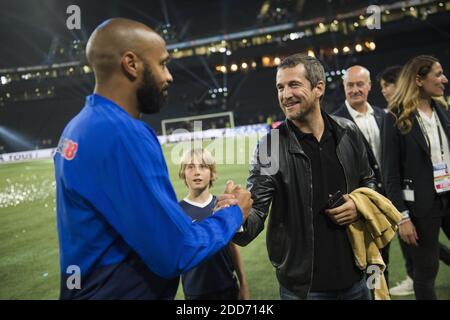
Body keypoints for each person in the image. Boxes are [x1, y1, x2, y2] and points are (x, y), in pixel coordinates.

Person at [53, 18, 252, 300]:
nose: (169, 76)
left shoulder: (77, 127)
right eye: (162, 64)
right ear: (131, 64)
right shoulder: (121, 133)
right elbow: (175, 250)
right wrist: (234, 213)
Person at [233, 53, 377, 300]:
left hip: (357, 277)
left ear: (318, 88)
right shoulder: (270, 146)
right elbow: (255, 215)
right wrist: (237, 216)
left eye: (294, 85)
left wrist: (359, 205)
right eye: (280, 87)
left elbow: (369, 181)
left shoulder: (348, 132)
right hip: (304, 289)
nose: (285, 95)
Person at [378, 64, 450, 296]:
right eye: (437, 74)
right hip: (421, 205)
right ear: (419, 80)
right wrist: (403, 217)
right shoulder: (395, 117)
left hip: (448, 195)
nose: (444, 79)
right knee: (427, 269)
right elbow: (391, 174)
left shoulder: (442, 109)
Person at [333, 65, 389, 285]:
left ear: (369, 86)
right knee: (367, 261)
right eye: (350, 85)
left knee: (385, 257)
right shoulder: (335, 122)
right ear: (344, 87)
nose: (355, 89)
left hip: (387, 198)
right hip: (359, 204)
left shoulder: (384, 116)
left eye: (359, 84)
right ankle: (373, 294)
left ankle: (383, 294)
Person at [178, 148, 249, 300]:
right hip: (195, 292)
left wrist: (243, 285)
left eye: (203, 166)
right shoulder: (177, 212)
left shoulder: (224, 206)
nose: (197, 172)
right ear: (183, 173)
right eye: (190, 167)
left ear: (212, 173)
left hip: (228, 288)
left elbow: (232, 246)